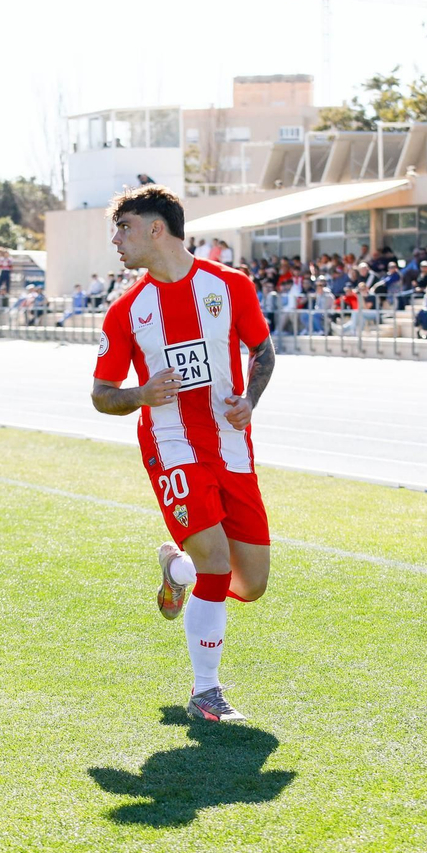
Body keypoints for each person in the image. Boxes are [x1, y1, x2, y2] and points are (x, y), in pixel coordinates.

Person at [92, 184, 274, 724]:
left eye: (123, 228)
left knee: (251, 584)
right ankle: (206, 693)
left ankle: (179, 568)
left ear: (155, 228)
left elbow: (262, 353)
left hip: (231, 446)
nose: (116, 241)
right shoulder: (127, 311)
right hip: (170, 446)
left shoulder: (230, 286)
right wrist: (142, 396)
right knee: (218, 566)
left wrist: (249, 401)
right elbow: (102, 395)